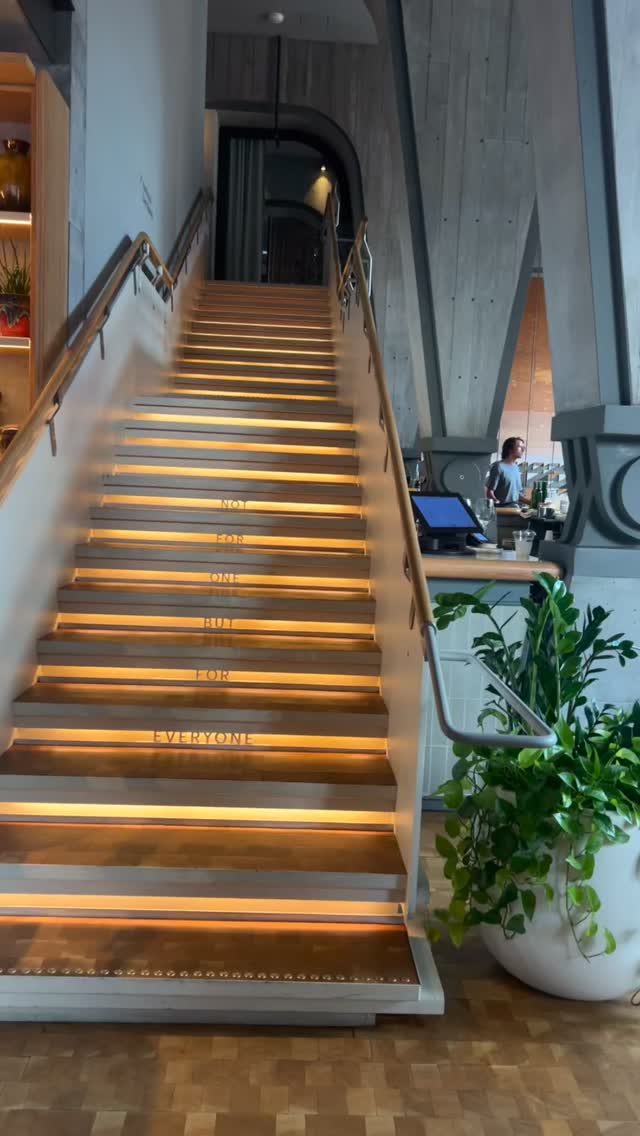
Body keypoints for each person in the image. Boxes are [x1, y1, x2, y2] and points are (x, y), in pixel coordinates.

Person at [486, 437, 528, 506]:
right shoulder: (498, 467)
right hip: (502, 508)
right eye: (520, 447)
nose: (523, 450)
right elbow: (490, 492)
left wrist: (532, 503)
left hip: (515, 507)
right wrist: (496, 502)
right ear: (510, 449)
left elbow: (517, 495)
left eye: (523, 447)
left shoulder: (516, 467)